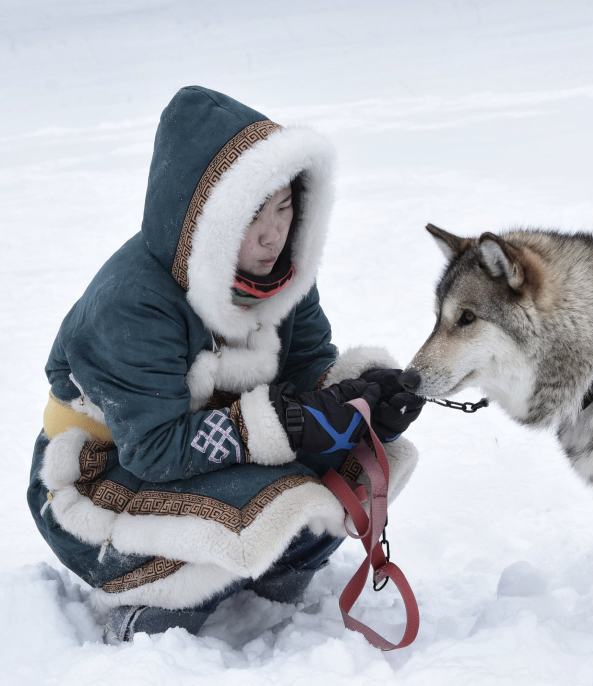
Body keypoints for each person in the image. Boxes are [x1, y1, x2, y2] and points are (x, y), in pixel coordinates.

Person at [26, 86, 424, 642]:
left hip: (194, 450)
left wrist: (361, 401)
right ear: (205, 223)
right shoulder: (131, 305)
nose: (272, 236)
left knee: (352, 466)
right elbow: (153, 448)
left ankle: (275, 573)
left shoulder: (281, 276)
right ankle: (157, 616)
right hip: (98, 476)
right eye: (251, 218)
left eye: (284, 209)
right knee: (279, 497)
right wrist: (284, 424)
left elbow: (308, 362)